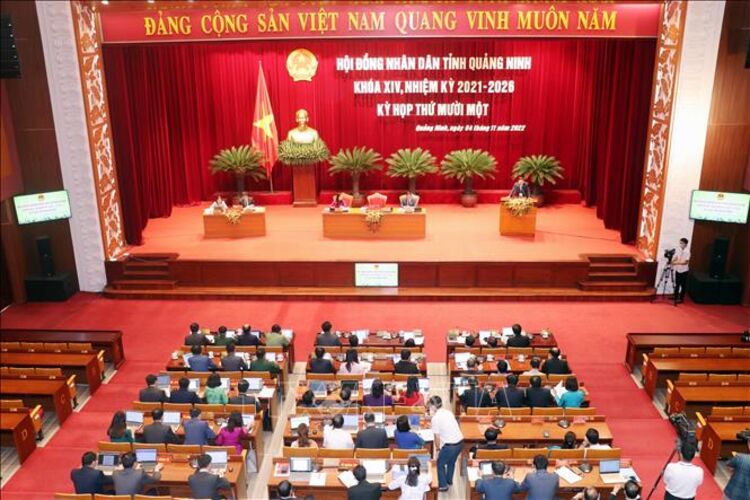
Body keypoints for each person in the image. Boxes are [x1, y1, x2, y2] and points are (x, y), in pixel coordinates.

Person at [428, 395, 464, 491]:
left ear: (433, 406)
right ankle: (449, 480)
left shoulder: (435, 418)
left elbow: (437, 437)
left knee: (440, 464)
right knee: (451, 462)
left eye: (430, 405)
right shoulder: (448, 412)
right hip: (460, 443)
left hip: (450, 446)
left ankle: (443, 486)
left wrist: (437, 449)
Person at [673, 237, 691, 303]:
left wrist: (676, 263)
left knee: (683, 285)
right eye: (680, 243)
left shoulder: (687, 252)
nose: (680, 244)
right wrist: (672, 260)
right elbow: (676, 257)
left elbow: (685, 262)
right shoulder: (679, 250)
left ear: (685, 244)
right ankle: (675, 296)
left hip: (684, 271)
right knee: (677, 284)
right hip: (678, 269)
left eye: (682, 243)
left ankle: (681, 299)